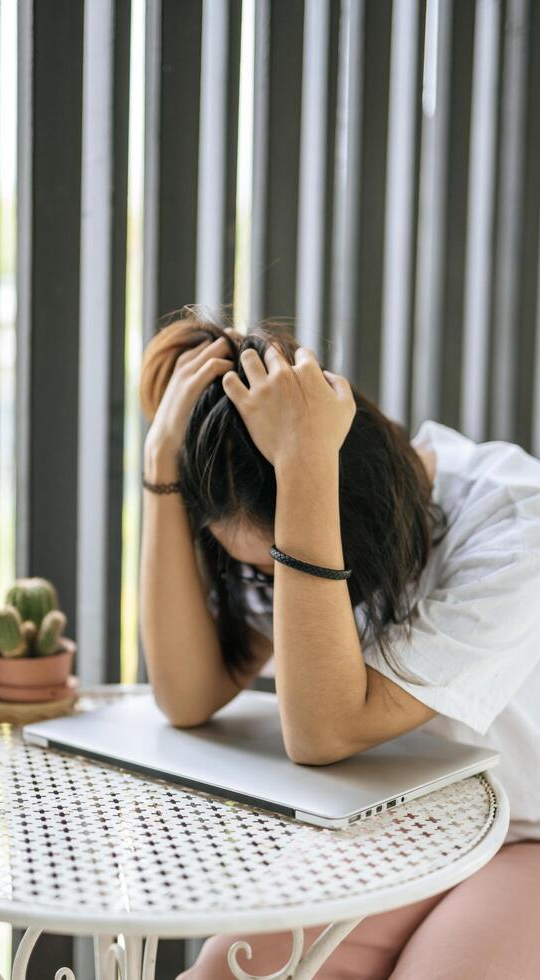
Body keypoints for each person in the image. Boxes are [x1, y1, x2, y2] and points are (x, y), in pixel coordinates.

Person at [138, 305, 540, 979]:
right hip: (417, 821)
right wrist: (160, 466)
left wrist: (305, 464)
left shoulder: (516, 525)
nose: (264, 585)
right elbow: (188, 692)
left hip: (528, 831)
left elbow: (323, 731)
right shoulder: (280, 525)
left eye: (271, 567)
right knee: (225, 973)